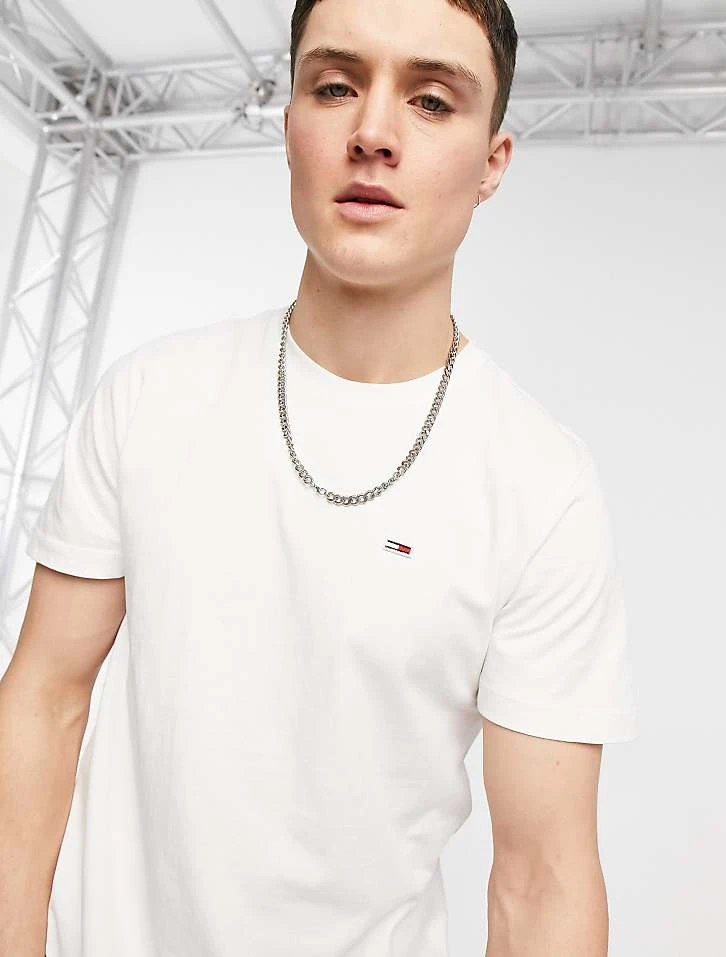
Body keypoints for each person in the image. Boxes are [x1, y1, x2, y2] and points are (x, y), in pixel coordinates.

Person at [0, 0, 639, 955]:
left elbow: (542, 880)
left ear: (492, 162)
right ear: (290, 121)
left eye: (431, 101)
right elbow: (43, 704)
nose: (373, 133)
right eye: (335, 87)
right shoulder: (150, 395)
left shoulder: (542, 487)